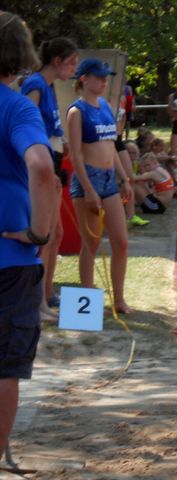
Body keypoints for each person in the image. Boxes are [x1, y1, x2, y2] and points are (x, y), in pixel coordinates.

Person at [0, 9, 57, 457]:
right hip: (10, 260)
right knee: (4, 367)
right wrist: (39, 233)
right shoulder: (17, 106)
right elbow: (41, 167)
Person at [67, 58, 133, 314]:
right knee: (91, 244)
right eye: (99, 77)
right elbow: (75, 155)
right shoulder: (76, 112)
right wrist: (88, 190)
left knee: (121, 241)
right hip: (89, 180)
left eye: (106, 77)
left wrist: (124, 178)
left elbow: (111, 146)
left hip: (109, 180)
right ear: (84, 79)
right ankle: (88, 304)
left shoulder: (105, 106)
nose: (105, 81)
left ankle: (119, 299)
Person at [20, 37, 78, 318]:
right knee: (45, 234)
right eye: (72, 63)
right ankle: (37, 302)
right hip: (42, 167)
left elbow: (49, 126)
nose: (74, 69)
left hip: (53, 161)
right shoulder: (35, 85)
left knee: (57, 234)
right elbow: (27, 127)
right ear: (57, 61)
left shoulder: (50, 87)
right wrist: (45, 170)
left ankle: (47, 293)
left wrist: (61, 141)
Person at [116, 85, 148, 228]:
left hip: (117, 140)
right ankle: (114, 214)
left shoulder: (123, 98)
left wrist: (119, 132)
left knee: (131, 178)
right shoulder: (104, 98)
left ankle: (131, 216)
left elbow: (124, 118)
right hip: (105, 142)